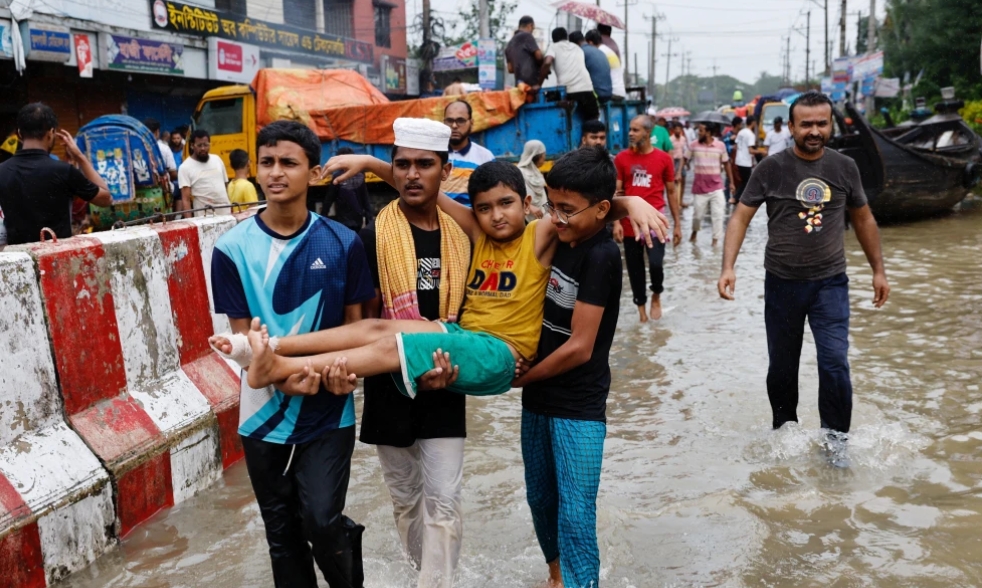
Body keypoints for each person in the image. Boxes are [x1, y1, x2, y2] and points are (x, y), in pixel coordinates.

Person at [213, 119, 668, 398]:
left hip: (502, 354)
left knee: (395, 346)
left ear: (529, 205)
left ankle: (282, 368)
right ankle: (265, 347)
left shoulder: (538, 235)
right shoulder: (478, 231)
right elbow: (418, 188)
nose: (495, 216)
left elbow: (582, 206)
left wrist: (632, 203)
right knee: (377, 327)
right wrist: (372, 165)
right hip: (462, 334)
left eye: (507, 204)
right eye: (485, 207)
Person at [210, 120, 373, 587]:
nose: (275, 172)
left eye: (288, 162)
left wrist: (347, 376)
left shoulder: (344, 243)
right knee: (281, 536)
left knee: (322, 521)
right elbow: (242, 343)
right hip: (262, 412)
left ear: (315, 173)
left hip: (329, 408)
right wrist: (278, 375)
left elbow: (357, 330)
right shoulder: (230, 249)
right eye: (267, 162)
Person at [718, 91, 891, 467]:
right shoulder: (771, 168)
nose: (814, 131)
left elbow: (863, 219)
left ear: (832, 125)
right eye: (806, 124)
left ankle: (836, 445)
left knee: (835, 363)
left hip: (830, 283)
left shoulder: (845, 167)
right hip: (781, 283)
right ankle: (785, 434)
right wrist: (728, 266)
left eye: (821, 123)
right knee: (782, 366)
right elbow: (741, 217)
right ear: (792, 126)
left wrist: (878, 270)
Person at [346, 119, 472, 588]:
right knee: (405, 499)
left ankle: (434, 585)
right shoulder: (370, 238)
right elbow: (358, 323)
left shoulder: (465, 237)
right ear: (392, 171)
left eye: (425, 164)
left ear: (446, 170)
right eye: (402, 165)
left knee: (444, 499)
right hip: (388, 382)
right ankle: (426, 575)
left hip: (449, 377)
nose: (413, 174)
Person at [511, 146, 623, 588]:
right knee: (540, 498)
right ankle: (557, 577)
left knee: (576, 512)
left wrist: (520, 379)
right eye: (551, 205)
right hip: (539, 395)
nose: (556, 218)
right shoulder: (559, 235)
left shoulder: (602, 256)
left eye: (567, 210)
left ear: (601, 210)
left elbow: (579, 347)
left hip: (578, 403)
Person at [0, 102, 111, 245]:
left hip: (19, 261)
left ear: (19, 133)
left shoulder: (2, 171)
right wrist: (80, 156)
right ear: (51, 133)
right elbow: (105, 199)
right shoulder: (64, 171)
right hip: (57, 259)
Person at [613, 115, 681, 323]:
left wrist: (677, 224)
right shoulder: (622, 159)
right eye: (630, 130)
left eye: (636, 130)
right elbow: (617, 191)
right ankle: (641, 311)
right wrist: (616, 222)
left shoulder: (663, 159)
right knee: (634, 270)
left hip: (655, 221)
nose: (631, 133)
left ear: (648, 133)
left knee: (656, 264)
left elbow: (671, 192)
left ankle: (656, 295)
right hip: (629, 223)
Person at [440, 100, 495, 207]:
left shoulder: (485, 157)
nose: (454, 126)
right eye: (449, 121)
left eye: (460, 120)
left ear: (472, 122)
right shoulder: (433, 154)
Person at [541, 28, 599, 121]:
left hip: (569, 91)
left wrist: (538, 83)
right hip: (587, 89)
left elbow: (547, 62)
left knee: (551, 103)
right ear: (567, 37)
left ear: (554, 39)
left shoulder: (554, 46)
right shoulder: (577, 47)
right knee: (593, 120)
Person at [688, 123, 732, 247]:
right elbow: (684, 158)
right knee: (697, 215)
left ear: (708, 132)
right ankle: (694, 232)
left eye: (701, 130)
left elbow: (726, 163)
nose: (698, 132)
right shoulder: (693, 145)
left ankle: (715, 241)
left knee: (718, 215)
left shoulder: (720, 146)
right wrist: (681, 169)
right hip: (699, 187)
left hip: (717, 186)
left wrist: (732, 182)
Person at [178, 129, 231, 217]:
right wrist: (190, 222)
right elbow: (186, 200)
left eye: (206, 145)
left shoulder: (217, 159)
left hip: (225, 212)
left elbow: (226, 186)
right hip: (204, 216)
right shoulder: (185, 167)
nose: (203, 148)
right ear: (192, 146)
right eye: (199, 145)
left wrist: (230, 206)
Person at [324, 146, 373, 232]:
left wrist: (323, 217)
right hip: (358, 220)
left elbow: (329, 199)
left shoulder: (337, 177)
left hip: (343, 220)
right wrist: (369, 220)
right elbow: (365, 199)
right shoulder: (360, 176)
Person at [571, 31, 612, 104]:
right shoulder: (599, 51)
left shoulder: (580, 52)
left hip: (596, 94)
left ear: (575, 44)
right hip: (608, 94)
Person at [506, 16, 544, 91]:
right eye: (533, 28)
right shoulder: (527, 36)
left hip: (519, 87)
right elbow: (539, 56)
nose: (532, 30)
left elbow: (510, 69)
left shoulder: (509, 44)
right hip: (531, 85)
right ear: (530, 26)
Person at [586, 30, 625, 101]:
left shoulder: (599, 53)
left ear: (590, 42)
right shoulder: (607, 50)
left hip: (612, 92)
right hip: (620, 92)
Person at [731, 114, 761, 204]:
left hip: (738, 160)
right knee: (747, 182)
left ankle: (739, 198)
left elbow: (735, 146)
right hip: (745, 162)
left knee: (744, 181)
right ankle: (736, 198)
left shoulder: (741, 132)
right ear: (753, 123)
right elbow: (751, 150)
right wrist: (761, 152)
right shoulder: (750, 134)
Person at [518, 139, 547, 220]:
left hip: (541, 218)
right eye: (543, 155)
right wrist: (530, 207)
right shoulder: (520, 173)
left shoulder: (536, 172)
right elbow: (516, 195)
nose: (544, 158)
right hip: (527, 219)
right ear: (538, 156)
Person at [226, 149, 258, 213]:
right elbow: (253, 211)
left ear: (231, 165)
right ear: (248, 163)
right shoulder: (248, 186)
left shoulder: (230, 185)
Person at [669, 122, 690, 206]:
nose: (678, 131)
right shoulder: (670, 139)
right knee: (673, 182)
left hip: (681, 161)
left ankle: (680, 201)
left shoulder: (683, 139)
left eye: (679, 129)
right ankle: (674, 201)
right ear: (673, 130)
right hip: (672, 161)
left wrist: (687, 163)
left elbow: (685, 152)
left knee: (683, 180)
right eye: (676, 129)